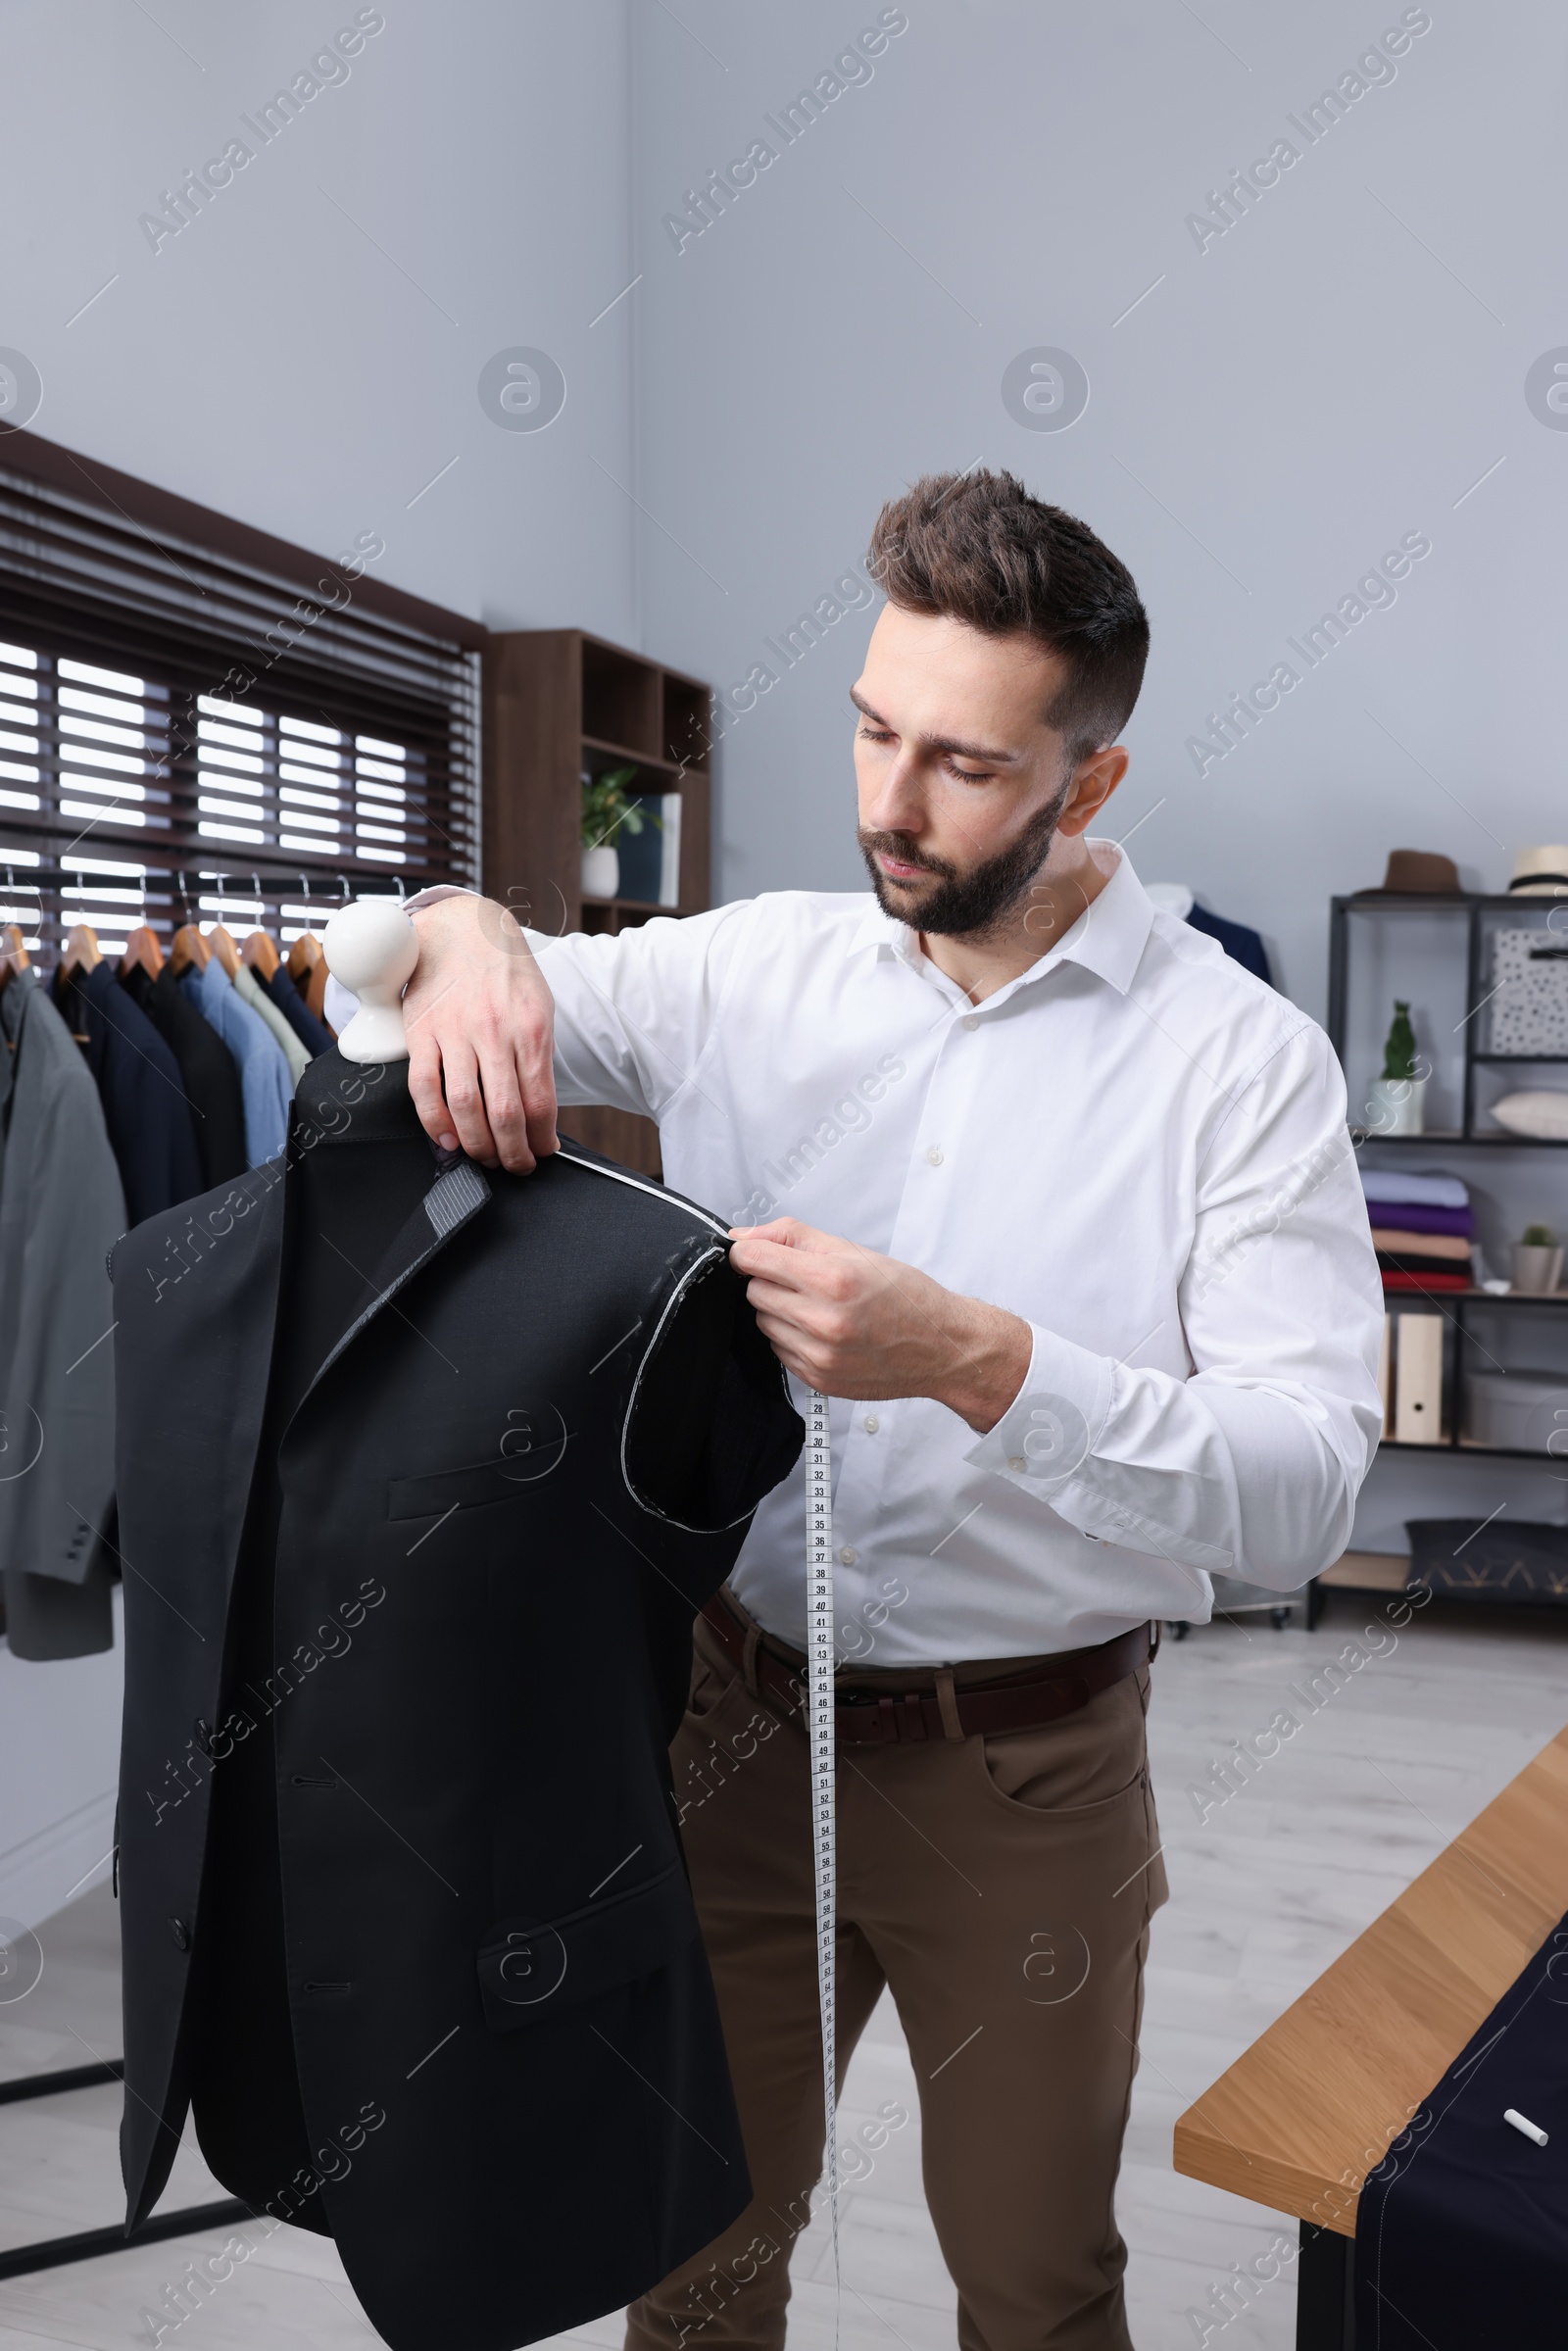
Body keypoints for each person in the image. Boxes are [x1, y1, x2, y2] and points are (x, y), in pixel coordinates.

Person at [392, 469, 1384, 2350]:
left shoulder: (1240, 1072)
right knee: (687, 2264)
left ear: (1088, 784)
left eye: (962, 765)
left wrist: (979, 1362)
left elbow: (1309, 1496)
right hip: (726, 1738)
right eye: (869, 729)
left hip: (1032, 1778)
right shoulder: (749, 971)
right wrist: (453, 926)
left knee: (1036, 2285)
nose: (887, 805)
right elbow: (439, 975)